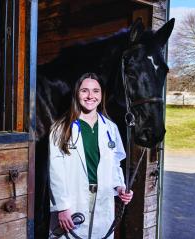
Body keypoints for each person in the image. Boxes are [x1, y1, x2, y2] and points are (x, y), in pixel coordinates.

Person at [48, 73, 133, 239]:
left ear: (101, 95)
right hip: (73, 200)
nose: (90, 96)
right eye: (84, 91)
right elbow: (55, 172)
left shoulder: (111, 128)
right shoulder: (60, 129)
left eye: (96, 91)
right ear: (76, 94)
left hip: (103, 197)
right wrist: (62, 206)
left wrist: (120, 187)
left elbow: (115, 163)